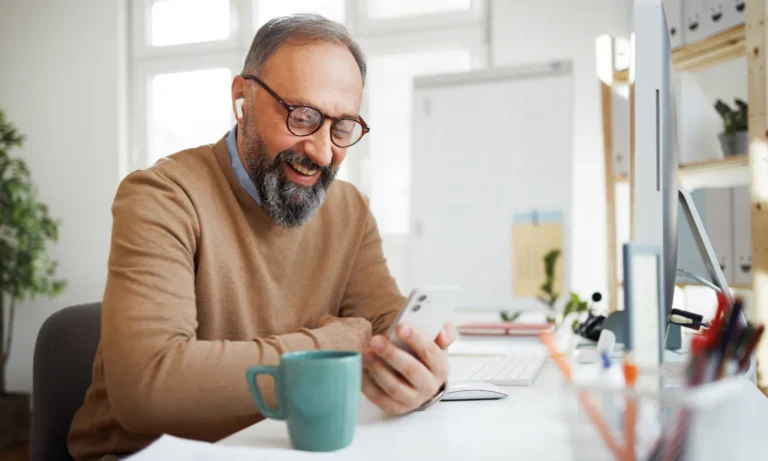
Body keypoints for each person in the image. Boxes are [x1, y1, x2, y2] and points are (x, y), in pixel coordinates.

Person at [67, 13, 457, 461]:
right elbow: (147, 389)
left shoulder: (350, 209)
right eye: (302, 116)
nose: (323, 151)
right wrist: (336, 345)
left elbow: (386, 328)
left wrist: (422, 376)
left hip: (281, 446)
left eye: (343, 127)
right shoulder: (161, 196)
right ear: (242, 99)